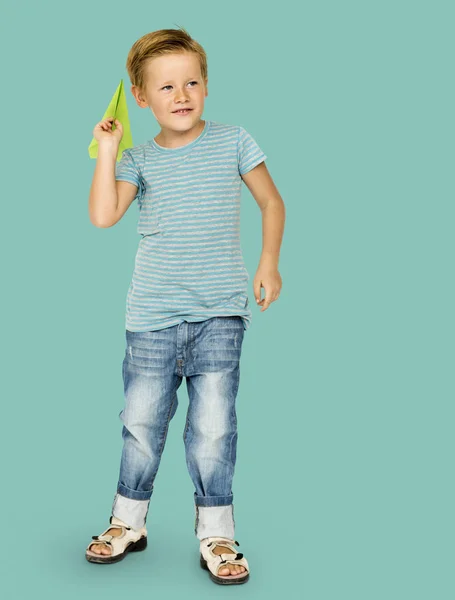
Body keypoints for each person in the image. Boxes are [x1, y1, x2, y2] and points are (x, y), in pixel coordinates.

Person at [85, 26, 285, 585]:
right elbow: (104, 215)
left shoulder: (234, 140)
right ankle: (128, 521)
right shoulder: (138, 158)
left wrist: (268, 263)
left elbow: (272, 201)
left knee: (214, 426)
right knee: (142, 422)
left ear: (205, 86)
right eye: (167, 86)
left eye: (192, 82)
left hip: (221, 312)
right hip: (152, 317)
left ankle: (217, 532)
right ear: (142, 97)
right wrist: (107, 150)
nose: (182, 95)